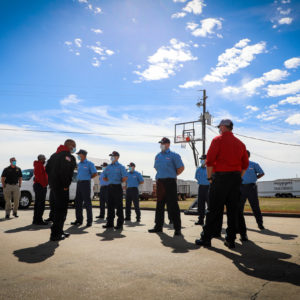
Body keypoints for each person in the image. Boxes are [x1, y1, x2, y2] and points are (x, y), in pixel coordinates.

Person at [195, 119, 249, 249]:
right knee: (233, 210)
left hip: (220, 178)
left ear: (224, 127)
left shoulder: (217, 140)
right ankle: (230, 240)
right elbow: (245, 165)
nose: (219, 128)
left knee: (213, 209)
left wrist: (209, 178)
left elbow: (210, 161)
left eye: (220, 127)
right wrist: (238, 178)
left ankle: (206, 238)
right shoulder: (240, 143)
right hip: (235, 179)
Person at [148, 137, 184, 236]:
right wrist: (163, 175)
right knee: (159, 205)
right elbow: (156, 168)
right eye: (161, 143)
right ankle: (158, 227)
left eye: (163, 143)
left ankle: (177, 229)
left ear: (168, 144)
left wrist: (173, 175)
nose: (161, 145)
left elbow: (181, 168)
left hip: (170, 182)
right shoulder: (158, 156)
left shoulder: (174, 155)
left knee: (173, 206)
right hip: (160, 183)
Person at [46, 139, 77, 241]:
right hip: (62, 187)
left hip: (53, 187)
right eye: (74, 146)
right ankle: (56, 235)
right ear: (70, 146)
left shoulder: (54, 155)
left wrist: (52, 181)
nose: (74, 149)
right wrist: (65, 185)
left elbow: (47, 169)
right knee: (61, 211)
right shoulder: (68, 157)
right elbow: (66, 172)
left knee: (55, 209)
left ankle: (59, 230)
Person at [238, 150, 265, 240]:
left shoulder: (254, 164)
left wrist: (255, 177)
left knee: (255, 206)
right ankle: (239, 227)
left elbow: (261, 173)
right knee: (239, 208)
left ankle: (260, 224)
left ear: (248, 156)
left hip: (251, 188)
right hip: (241, 188)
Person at [71, 150, 97, 227]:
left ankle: (89, 221)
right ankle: (79, 220)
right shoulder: (79, 164)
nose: (78, 155)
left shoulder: (90, 164)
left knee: (87, 203)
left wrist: (88, 178)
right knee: (78, 202)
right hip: (79, 183)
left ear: (83, 155)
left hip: (86, 183)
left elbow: (95, 173)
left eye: (79, 154)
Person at [102, 151, 127, 230]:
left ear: (117, 157)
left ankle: (120, 224)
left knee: (119, 206)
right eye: (111, 156)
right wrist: (110, 181)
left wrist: (118, 181)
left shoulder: (121, 167)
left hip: (117, 187)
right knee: (110, 206)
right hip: (109, 187)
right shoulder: (108, 167)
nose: (111, 157)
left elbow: (125, 177)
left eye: (113, 156)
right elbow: (104, 177)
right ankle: (110, 223)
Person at [32, 154, 48, 225]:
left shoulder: (39, 165)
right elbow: (40, 177)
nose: (45, 160)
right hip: (40, 186)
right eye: (44, 159)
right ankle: (38, 220)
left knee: (38, 203)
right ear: (40, 159)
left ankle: (36, 219)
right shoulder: (39, 165)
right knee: (40, 204)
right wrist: (44, 185)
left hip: (39, 186)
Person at [194, 155, 210, 226]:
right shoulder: (198, 169)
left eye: (203, 159)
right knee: (200, 205)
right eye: (201, 159)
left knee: (210, 205)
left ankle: (209, 221)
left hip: (208, 188)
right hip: (201, 188)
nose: (201, 160)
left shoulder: (210, 168)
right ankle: (201, 220)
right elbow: (197, 177)